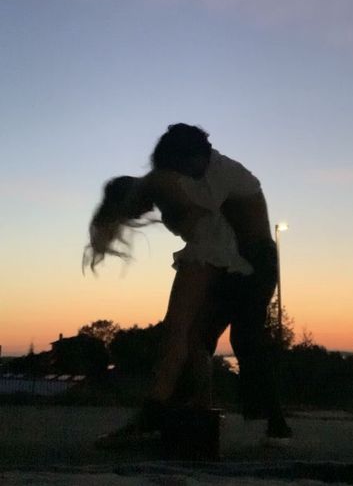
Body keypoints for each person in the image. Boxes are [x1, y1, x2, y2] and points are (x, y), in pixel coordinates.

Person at [84, 124, 291, 441]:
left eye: (183, 166)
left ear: (197, 156)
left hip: (254, 259)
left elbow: (202, 210)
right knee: (202, 338)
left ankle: (270, 421)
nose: (182, 173)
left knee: (242, 338)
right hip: (230, 257)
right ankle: (194, 410)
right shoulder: (186, 177)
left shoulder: (217, 173)